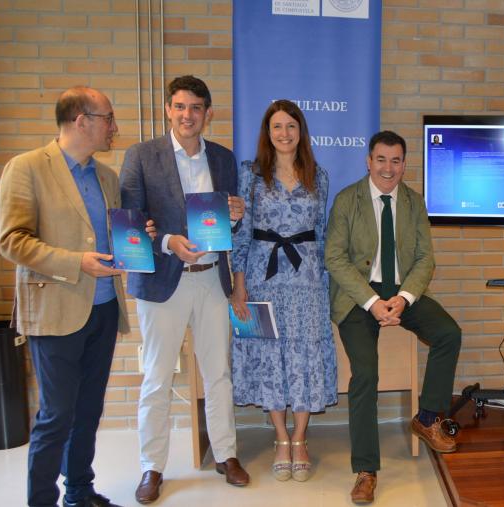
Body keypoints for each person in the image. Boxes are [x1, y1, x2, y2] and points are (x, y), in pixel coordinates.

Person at [0, 86, 151, 507]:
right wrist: (76, 261)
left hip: (103, 309)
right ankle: (42, 501)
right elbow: (12, 241)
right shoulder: (26, 168)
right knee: (55, 417)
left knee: (87, 412)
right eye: (109, 118)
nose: (114, 128)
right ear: (80, 121)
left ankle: (80, 492)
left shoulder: (106, 177)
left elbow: (111, 239)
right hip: (55, 311)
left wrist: (137, 239)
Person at [120, 75, 249, 504]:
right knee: (156, 378)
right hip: (163, 281)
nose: (187, 115)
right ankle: (151, 467)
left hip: (213, 279)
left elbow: (229, 221)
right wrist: (167, 243)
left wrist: (236, 213)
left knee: (219, 375)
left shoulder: (225, 159)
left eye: (195, 107)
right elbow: (130, 226)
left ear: (207, 113)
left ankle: (226, 455)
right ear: (168, 110)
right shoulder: (142, 156)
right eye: (179, 106)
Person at [325, 130, 462, 504]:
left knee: (449, 333)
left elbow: (425, 259)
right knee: (366, 373)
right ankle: (366, 470)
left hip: (403, 292)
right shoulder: (347, 200)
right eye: (381, 159)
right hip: (358, 298)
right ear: (369, 161)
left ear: (404, 164)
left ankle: (427, 417)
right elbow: (334, 258)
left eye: (396, 160)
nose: (389, 168)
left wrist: (402, 298)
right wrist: (373, 302)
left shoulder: (414, 202)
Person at [230, 100, 338, 482]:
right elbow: (241, 233)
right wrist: (238, 285)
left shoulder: (318, 175)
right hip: (262, 277)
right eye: (277, 126)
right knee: (269, 355)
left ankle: (300, 438)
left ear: (300, 130)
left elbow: (322, 233)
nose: (284, 133)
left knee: (306, 354)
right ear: (267, 132)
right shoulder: (250, 174)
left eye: (291, 126)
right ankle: (279, 438)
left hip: (307, 281)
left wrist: (325, 281)